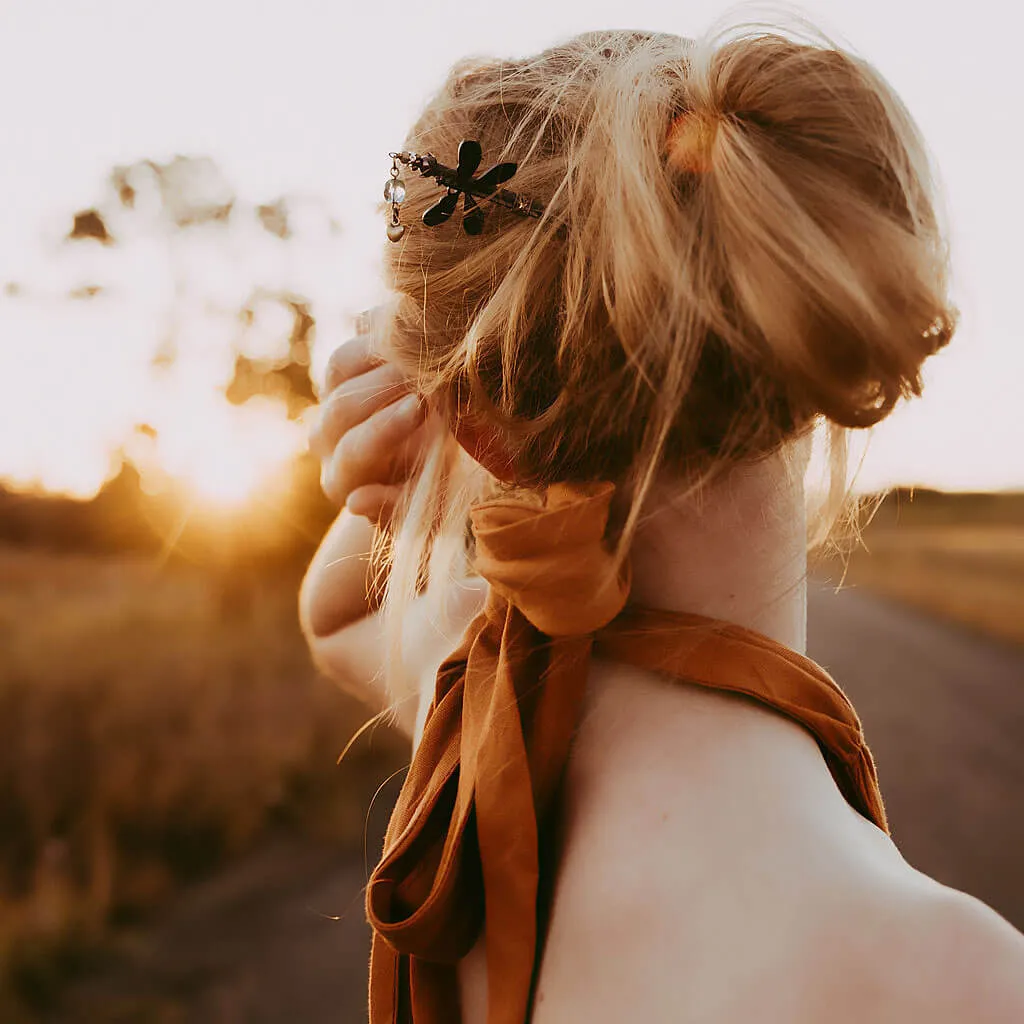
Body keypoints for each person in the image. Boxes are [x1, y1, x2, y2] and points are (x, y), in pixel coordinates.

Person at [300, 21, 1024, 1024]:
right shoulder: (952, 980)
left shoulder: (473, 690)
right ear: (802, 331)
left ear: (481, 428)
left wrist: (419, 436)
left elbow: (334, 616)